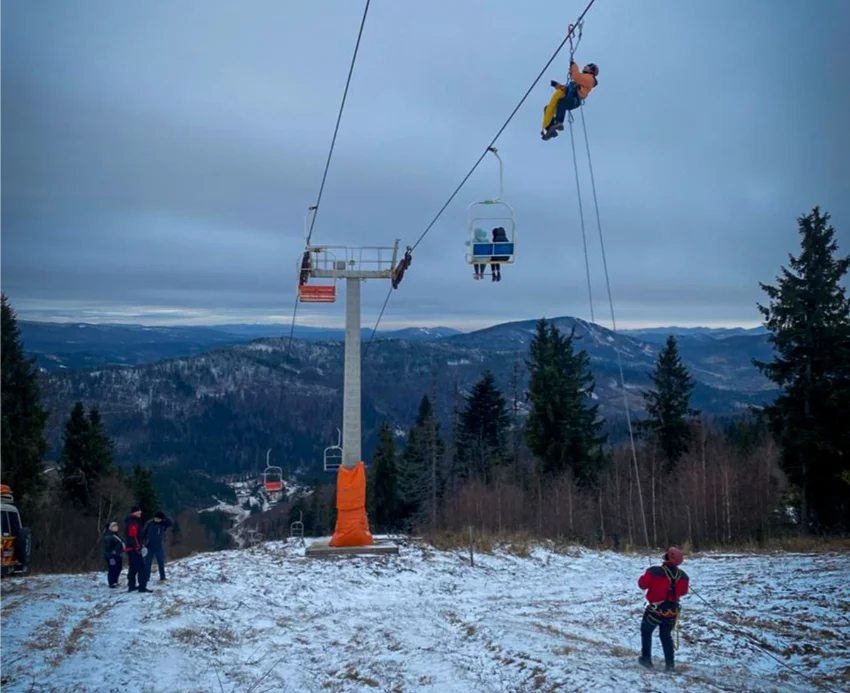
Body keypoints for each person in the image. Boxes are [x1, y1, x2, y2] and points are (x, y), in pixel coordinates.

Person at [637, 546, 689, 671]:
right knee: (666, 637)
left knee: (646, 632)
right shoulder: (683, 576)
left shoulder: (654, 571)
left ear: (666, 557)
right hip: (672, 612)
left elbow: (642, 584)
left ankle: (646, 659)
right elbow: (683, 592)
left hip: (655, 610)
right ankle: (670, 665)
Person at [541, 60, 599, 139]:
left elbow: (576, 76)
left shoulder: (589, 78)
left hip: (574, 99)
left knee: (561, 103)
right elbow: (566, 89)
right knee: (547, 108)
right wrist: (557, 85)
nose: (585, 66)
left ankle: (559, 122)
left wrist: (573, 65)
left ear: (591, 70)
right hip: (570, 97)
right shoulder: (580, 80)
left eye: (587, 66)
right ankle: (550, 129)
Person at [125, 506, 151, 593]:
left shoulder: (131, 521)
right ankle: (142, 587)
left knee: (133, 568)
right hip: (134, 549)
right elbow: (133, 536)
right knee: (142, 568)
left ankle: (131, 586)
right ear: (135, 512)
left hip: (130, 548)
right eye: (139, 511)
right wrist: (138, 547)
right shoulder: (133, 522)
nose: (141, 512)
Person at [143, 510, 173, 582]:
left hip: (159, 546)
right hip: (149, 546)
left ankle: (162, 577)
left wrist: (164, 517)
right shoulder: (149, 523)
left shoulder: (163, 523)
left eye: (159, 519)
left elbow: (170, 523)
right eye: (156, 518)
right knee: (147, 562)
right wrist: (144, 543)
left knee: (161, 562)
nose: (157, 520)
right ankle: (146, 577)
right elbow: (144, 533)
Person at [102, 520, 125, 589]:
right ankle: (111, 583)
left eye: (116, 525)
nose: (116, 527)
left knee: (118, 568)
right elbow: (107, 548)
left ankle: (115, 581)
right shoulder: (108, 536)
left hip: (118, 555)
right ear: (110, 528)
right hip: (112, 556)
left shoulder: (116, 535)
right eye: (114, 526)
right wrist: (110, 557)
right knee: (112, 569)